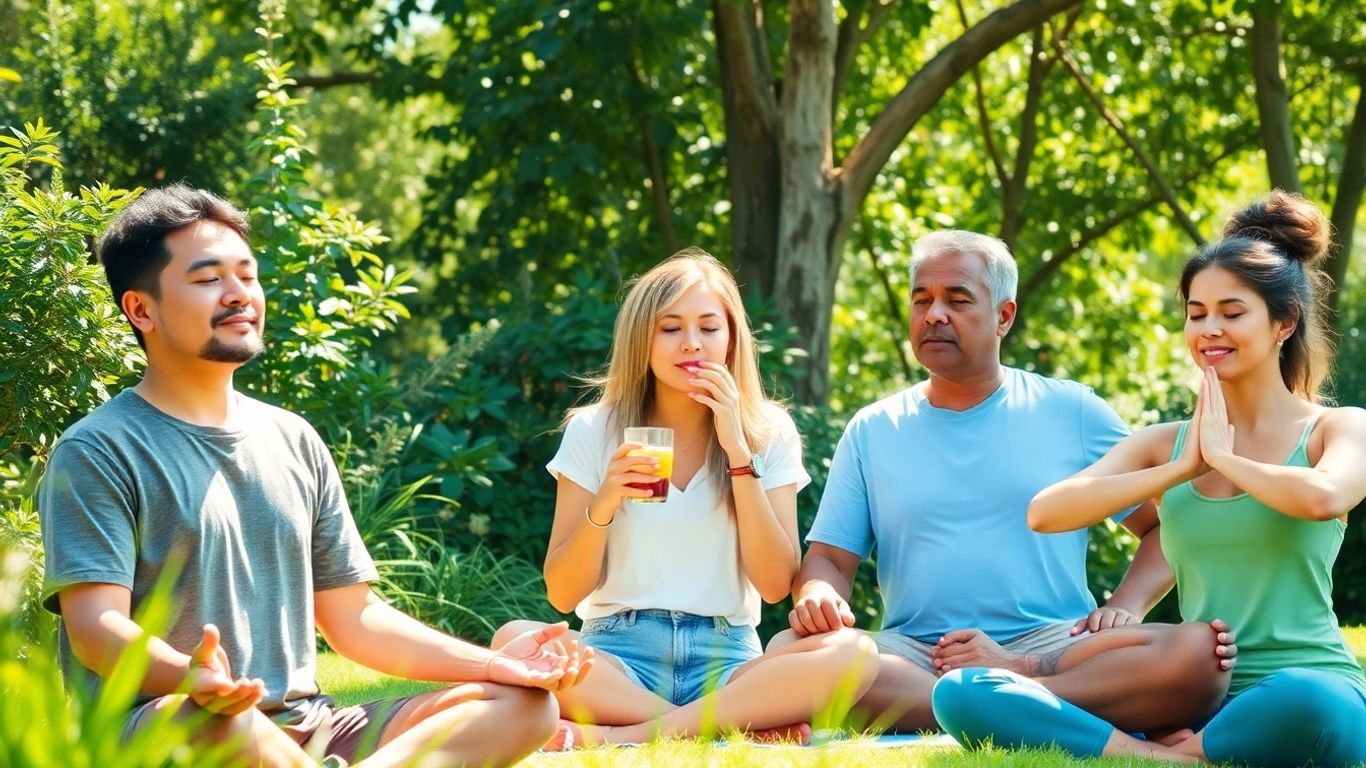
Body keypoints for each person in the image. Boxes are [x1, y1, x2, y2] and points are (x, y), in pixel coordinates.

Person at [38, 184, 593, 768]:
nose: (239, 296)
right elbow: (96, 630)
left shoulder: (292, 438)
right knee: (223, 723)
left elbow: (356, 619)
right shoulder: (99, 450)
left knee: (525, 706)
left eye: (247, 276)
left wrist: (494, 664)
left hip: (310, 725)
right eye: (208, 280)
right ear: (141, 309)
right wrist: (192, 677)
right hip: (175, 723)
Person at [933, 192, 1366, 765]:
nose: (1209, 329)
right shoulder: (1167, 444)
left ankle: (1163, 754)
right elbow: (1048, 511)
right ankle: (1168, 754)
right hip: (1194, 692)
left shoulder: (1337, 428)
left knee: (1311, 702)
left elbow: (1324, 496)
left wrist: (1226, 458)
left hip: (1303, 686)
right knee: (962, 694)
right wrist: (1182, 467)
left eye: (1232, 313)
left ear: (1283, 323)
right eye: (1196, 313)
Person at [777, 229, 1235, 736]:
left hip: (1054, 652)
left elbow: (1165, 527)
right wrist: (817, 593)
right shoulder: (873, 428)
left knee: (1199, 652)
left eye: (957, 300)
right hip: (917, 656)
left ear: (1004, 316)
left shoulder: (1073, 411)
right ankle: (1027, 708)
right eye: (921, 300)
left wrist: (1124, 607)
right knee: (790, 650)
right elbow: (829, 559)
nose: (934, 315)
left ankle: (1000, 696)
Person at [494, 248, 879, 748]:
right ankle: (726, 725)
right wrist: (607, 499)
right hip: (617, 654)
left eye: (708, 327)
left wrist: (738, 453)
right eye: (670, 328)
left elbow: (775, 583)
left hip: (727, 658)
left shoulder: (768, 432)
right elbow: (563, 595)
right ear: (643, 340)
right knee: (515, 640)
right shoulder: (595, 430)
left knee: (856, 653)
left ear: (731, 339)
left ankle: (621, 736)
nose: (691, 344)